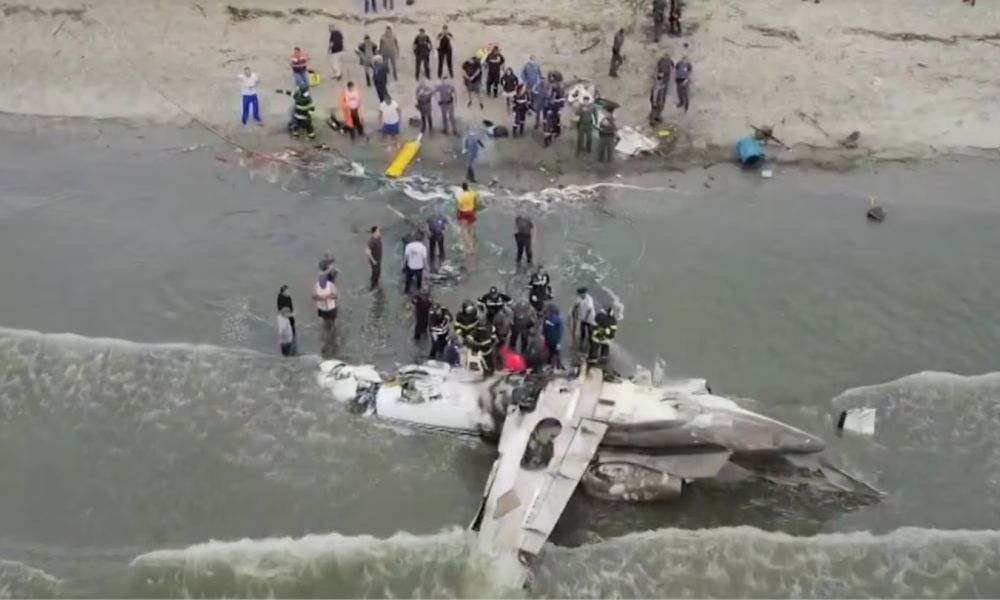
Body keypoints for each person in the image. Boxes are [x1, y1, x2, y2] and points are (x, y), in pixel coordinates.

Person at [313, 268, 339, 332]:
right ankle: (327, 331)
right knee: (324, 321)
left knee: (332, 322)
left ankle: (333, 332)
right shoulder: (316, 286)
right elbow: (314, 297)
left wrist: (328, 296)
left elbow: (336, 296)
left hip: (331, 308)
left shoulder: (331, 285)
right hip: (321, 308)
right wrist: (320, 298)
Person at [456, 182, 479, 254]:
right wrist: (475, 209)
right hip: (471, 212)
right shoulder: (472, 193)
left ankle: (468, 247)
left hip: (463, 213)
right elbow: (476, 199)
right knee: (471, 229)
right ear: (468, 187)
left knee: (464, 230)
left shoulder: (460, 196)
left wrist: (457, 216)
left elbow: (458, 208)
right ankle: (471, 244)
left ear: (462, 188)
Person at [542, 303, 564, 369]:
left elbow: (560, 331)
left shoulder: (557, 319)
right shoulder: (546, 319)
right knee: (550, 353)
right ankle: (551, 365)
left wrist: (558, 342)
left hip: (555, 340)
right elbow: (544, 330)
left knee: (556, 353)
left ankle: (558, 366)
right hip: (548, 339)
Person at [366, 225, 382, 290]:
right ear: (374, 232)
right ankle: (372, 286)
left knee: (378, 272)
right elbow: (367, 252)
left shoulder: (378, 238)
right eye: (378, 231)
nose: (379, 232)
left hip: (378, 259)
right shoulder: (371, 241)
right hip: (375, 261)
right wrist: (373, 261)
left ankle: (376, 282)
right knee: (375, 272)